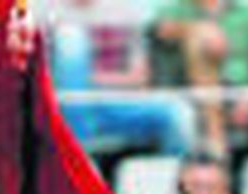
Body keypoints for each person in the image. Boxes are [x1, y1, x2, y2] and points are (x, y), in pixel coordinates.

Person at [45, 0, 196, 156]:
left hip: (114, 102)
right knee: (70, 36)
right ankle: (77, 155)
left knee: (179, 112)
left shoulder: (125, 10)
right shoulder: (46, 10)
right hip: (60, 105)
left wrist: (82, 81)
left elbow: (139, 78)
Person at [151, 0, 248, 155]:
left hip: (239, 92)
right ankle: (216, 139)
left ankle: (217, 146)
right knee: (200, 43)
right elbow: (163, 32)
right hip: (190, 91)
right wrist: (201, 30)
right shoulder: (174, 10)